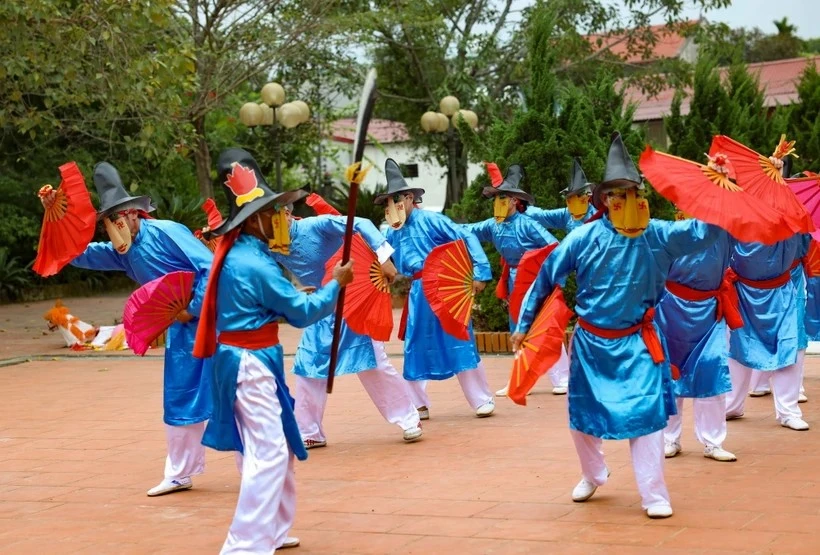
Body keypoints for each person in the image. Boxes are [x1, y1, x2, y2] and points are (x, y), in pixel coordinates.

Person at [512, 133, 723, 519]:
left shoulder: (658, 234)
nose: (625, 199)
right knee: (583, 419)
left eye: (632, 190)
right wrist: (524, 323)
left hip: (640, 345)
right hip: (592, 345)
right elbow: (546, 276)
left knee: (646, 420)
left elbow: (703, 233)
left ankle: (654, 494)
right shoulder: (583, 237)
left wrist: (715, 189)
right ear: (606, 199)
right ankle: (593, 474)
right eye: (617, 193)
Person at [193, 148, 354, 553]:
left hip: (248, 359)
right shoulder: (256, 263)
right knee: (268, 452)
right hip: (249, 363)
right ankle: (244, 544)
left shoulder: (244, 254)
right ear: (258, 219)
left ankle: (273, 531)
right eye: (276, 211)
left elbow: (272, 305)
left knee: (274, 446)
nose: (283, 218)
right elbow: (301, 313)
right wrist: (336, 284)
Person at [42, 161, 214, 497]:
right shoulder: (123, 252)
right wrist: (58, 218)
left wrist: (191, 307)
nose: (114, 226)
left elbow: (210, 269)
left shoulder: (167, 231)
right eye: (108, 221)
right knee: (179, 397)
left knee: (239, 393)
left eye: (118, 218)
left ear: (135, 213)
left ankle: (266, 461)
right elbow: (76, 255)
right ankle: (180, 473)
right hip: (181, 330)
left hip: (216, 320)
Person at [269, 198, 422, 448]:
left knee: (373, 364)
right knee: (308, 367)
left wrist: (384, 258)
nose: (271, 224)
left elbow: (359, 223)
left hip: (353, 298)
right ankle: (310, 432)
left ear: (287, 214)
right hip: (321, 307)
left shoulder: (316, 225)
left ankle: (409, 418)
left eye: (275, 216)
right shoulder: (268, 245)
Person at [377, 158, 495, 419]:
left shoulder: (432, 220)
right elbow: (383, 258)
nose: (392, 205)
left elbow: (466, 237)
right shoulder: (392, 232)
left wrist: (480, 272)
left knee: (460, 337)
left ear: (409, 198)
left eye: (397, 199)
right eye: (388, 201)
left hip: (446, 287)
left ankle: (481, 399)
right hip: (419, 293)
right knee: (415, 344)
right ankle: (418, 404)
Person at [462, 163, 568, 396]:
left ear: (512, 201)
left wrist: (553, 277)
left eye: (502, 199)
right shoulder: (493, 225)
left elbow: (555, 248)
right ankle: (521, 378)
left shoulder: (528, 224)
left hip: (535, 279)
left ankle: (563, 377)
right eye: (495, 199)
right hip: (512, 280)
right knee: (517, 328)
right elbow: (467, 230)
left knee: (543, 325)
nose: (497, 204)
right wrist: (442, 228)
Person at [655, 209, 739, 462]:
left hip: (709, 312)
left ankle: (713, 441)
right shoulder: (672, 232)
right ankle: (669, 438)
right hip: (671, 309)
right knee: (670, 372)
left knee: (712, 371)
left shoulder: (726, 232)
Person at [525, 158, 596, 232]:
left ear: (587, 196)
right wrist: (523, 208)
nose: (574, 201)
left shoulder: (600, 217)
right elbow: (543, 216)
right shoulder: (567, 215)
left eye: (578, 195)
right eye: (570, 198)